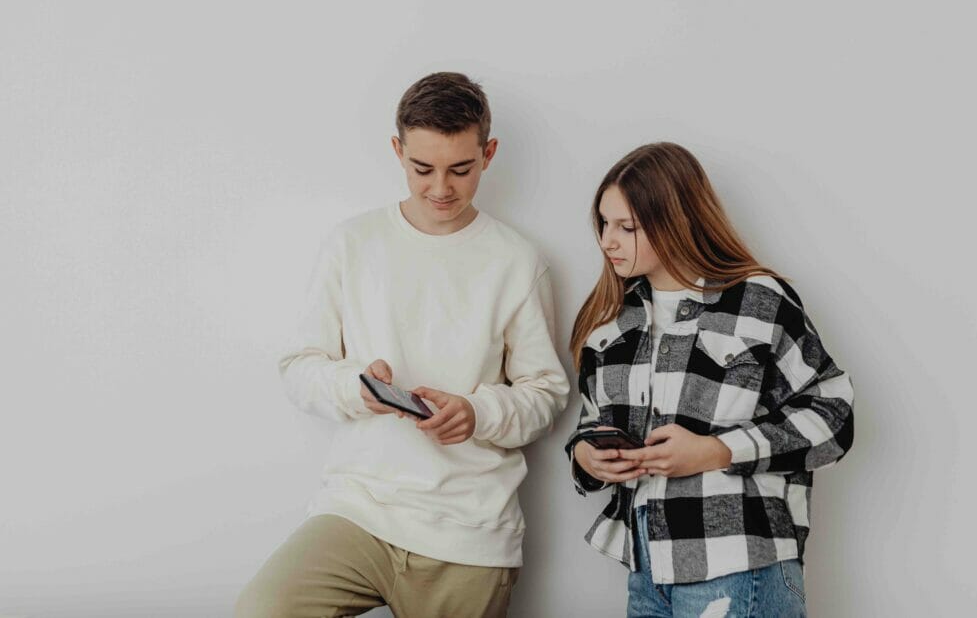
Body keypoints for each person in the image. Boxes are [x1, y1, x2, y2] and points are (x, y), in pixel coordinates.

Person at [237, 72, 569, 618]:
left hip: (470, 530)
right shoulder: (352, 243)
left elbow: (546, 395)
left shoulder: (518, 261)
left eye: (461, 169)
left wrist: (477, 412)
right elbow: (299, 366)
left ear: (488, 154)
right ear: (398, 151)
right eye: (422, 168)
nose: (441, 187)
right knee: (262, 610)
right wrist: (357, 388)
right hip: (359, 511)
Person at [565, 142, 854, 617]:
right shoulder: (612, 324)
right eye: (603, 223)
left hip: (739, 562)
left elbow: (835, 416)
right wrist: (588, 457)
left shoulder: (756, 300)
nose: (606, 240)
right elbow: (590, 422)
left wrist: (715, 451)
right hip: (647, 568)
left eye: (626, 227)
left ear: (674, 221)